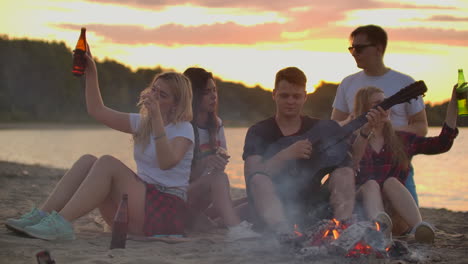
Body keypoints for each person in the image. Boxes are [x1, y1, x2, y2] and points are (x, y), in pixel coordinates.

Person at [5, 44, 194, 240]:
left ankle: (61, 223)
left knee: (107, 163)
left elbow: (166, 163)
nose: (154, 97)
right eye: (154, 90)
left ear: (176, 104)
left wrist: (156, 120)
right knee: (88, 160)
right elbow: (98, 110)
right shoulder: (143, 123)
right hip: (136, 209)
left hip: (165, 212)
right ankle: (42, 215)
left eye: (162, 95)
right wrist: (91, 71)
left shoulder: (183, 129)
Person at [243, 67, 355, 236]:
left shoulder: (319, 128)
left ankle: (343, 230)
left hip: (313, 206)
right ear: (274, 94)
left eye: (296, 96)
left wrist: (365, 132)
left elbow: (348, 164)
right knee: (259, 179)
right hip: (275, 208)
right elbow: (252, 178)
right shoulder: (259, 132)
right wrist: (285, 156)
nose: (290, 101)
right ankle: (284, 235)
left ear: (305, 97)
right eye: (284, 95)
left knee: (345, 172)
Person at [331, 24, 428, 206]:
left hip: (396, 164)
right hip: (360, 164)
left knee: (406, 225)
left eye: (359, 48)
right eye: (351, 48)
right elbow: (335, 126)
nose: (353, 53)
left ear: (378, 49)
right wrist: (354, 122)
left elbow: (421, 128)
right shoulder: (348, 83)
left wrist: (383, 128)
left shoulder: (404, 82)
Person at [351, 85, 459, 244]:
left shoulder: (401, 139)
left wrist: (454, 102)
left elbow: (441, 144)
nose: (386, 107)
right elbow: (350, 165)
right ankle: (379, 230)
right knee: (371, 184)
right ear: (365, 109)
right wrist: (365, 130)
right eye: (378, 104)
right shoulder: (353, 139)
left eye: (387, 102)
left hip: (395, 215)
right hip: (362, 213)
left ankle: (419, 228)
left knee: (392, 182)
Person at [183, 67, 259, 241]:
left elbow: (216, 163)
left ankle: (212, 223)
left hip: (200, 201)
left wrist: (219, 160)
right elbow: (177, 176)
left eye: (214, 90)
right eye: (206, 92)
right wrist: (206, 162)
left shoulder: (216, 124)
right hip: (180, 198)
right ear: (193, 95)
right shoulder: (182, 127)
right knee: (219, 178)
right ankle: (235, 229)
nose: (213, 96)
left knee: (253, 201)